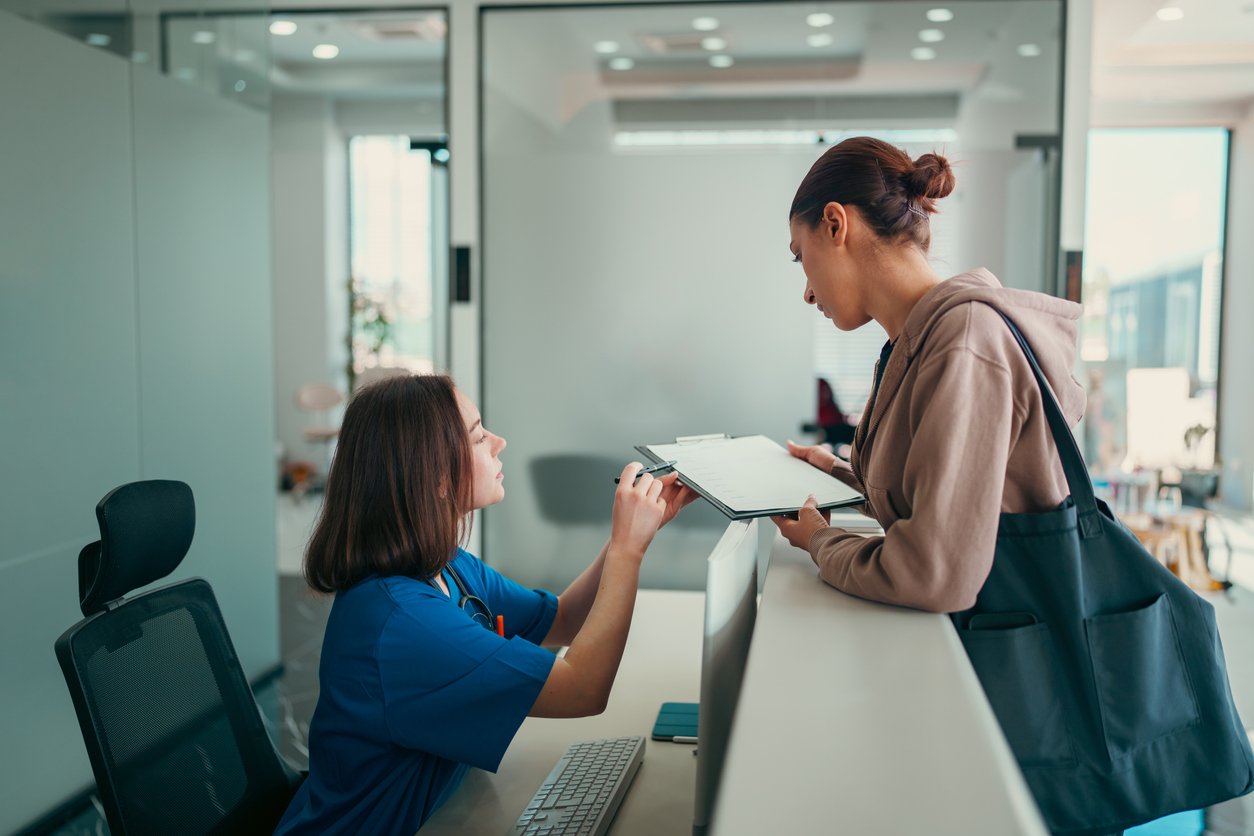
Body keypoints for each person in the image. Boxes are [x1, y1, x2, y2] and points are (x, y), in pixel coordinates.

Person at [274, 374, 696, 836]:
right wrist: (626, 553)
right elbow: (583, 690)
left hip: (443, 813)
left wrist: (630, 536)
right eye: (477, 436)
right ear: (432, 477)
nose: (499, 442)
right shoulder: (400, 624)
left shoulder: (448, 568)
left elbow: (563, 620)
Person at [771, 136, 1086, 614]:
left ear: (835, 224)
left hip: (998, 666)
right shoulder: (917, 341)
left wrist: (821, 540)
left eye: (801, 256)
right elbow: (932, 504)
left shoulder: (965, 341)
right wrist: (837, 475)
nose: (808, 293)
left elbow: (931, 574)